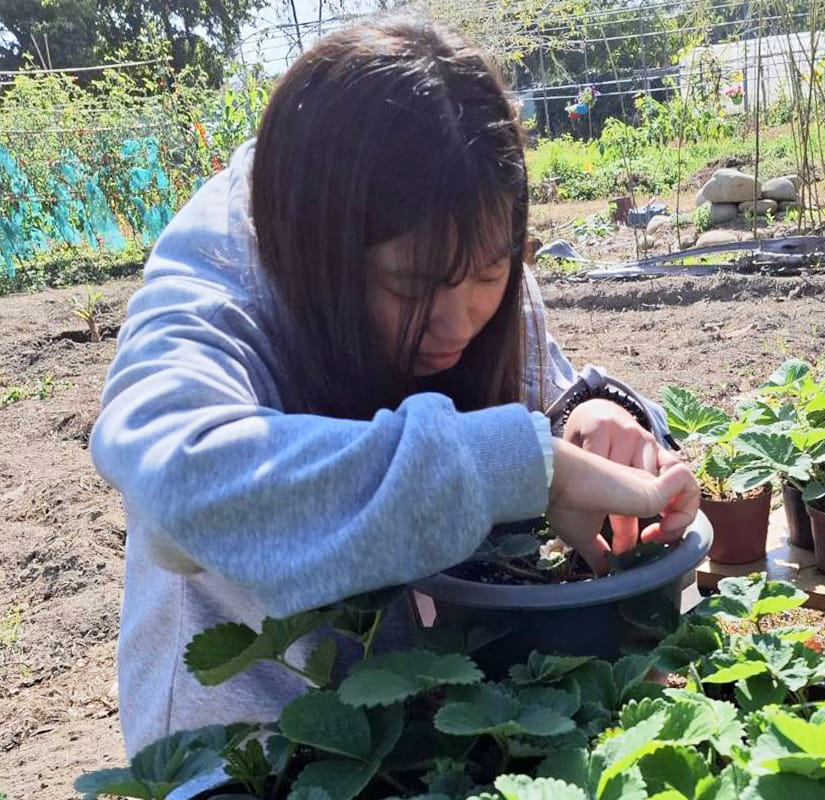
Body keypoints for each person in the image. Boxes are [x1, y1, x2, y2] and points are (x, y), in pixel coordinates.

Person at [90, 15, 700, 756]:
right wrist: (526, 466)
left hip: (427, 703)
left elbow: (541, 404)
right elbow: (178, 487)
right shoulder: (223, 275)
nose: (460, 321)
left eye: (491, 273)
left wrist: (591, 416)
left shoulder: (464, 245)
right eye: (412, 286)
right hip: (251, 744)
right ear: (321, 252)